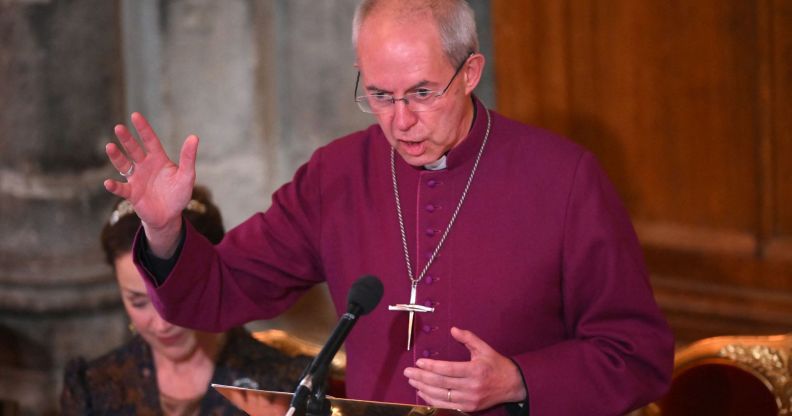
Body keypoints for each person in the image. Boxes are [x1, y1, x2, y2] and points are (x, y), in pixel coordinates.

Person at [102, 1, 674, 414]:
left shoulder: (564, 178)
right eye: (379, 95)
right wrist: (164, 228)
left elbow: (640, 355)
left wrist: (520, 381)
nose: (400, 121)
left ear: (470, 72)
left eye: (422, 93)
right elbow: (219, 291)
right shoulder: (337, 174)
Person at [60, 185, 312, 415]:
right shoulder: (94, 386)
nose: (162, 324)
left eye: (177, 297)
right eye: (138, 302)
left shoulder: (281, 385)